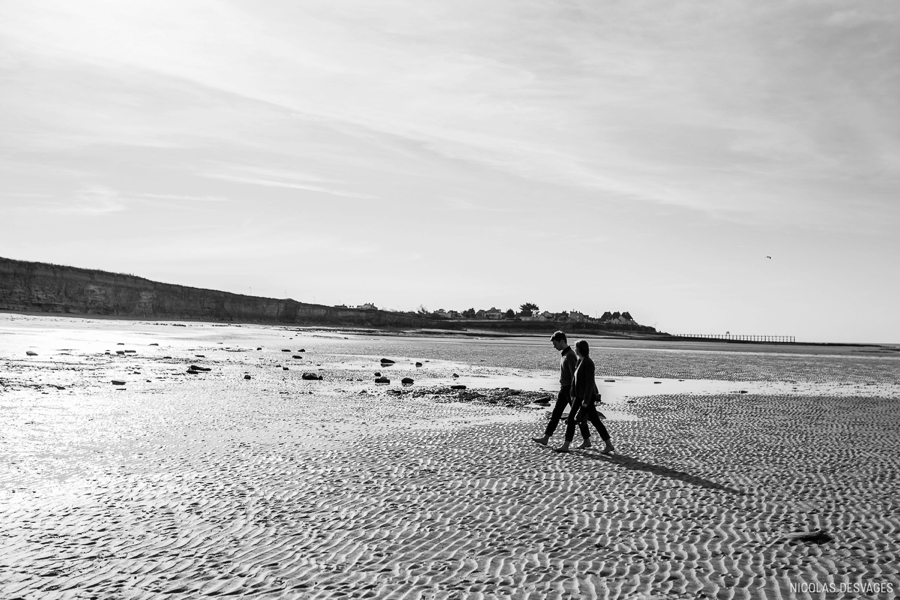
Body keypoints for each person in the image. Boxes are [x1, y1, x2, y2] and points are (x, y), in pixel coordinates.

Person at [555, 339, 615, 454]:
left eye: (576, 347)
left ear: (580, 349)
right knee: (585, 419)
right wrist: (572, 394)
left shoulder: (588, 362)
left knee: (588, 420)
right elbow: (575, 380)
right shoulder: (579, 361)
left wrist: (586, 401)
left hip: (585, 398)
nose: (575, 349)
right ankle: (592, 442)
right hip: (578, 396)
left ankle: (567, 445)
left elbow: (590, 383)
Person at [532, 331, 590, 447]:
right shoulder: (564, 354)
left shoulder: (570, 355)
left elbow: (575, 375)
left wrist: (574, 393)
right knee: (556, 413)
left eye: (555, 343)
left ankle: (584, 440)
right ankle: (546, 438)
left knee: (575, 415)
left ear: (562, 341)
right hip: (564, 389)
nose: (554, 346)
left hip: (570, 390)